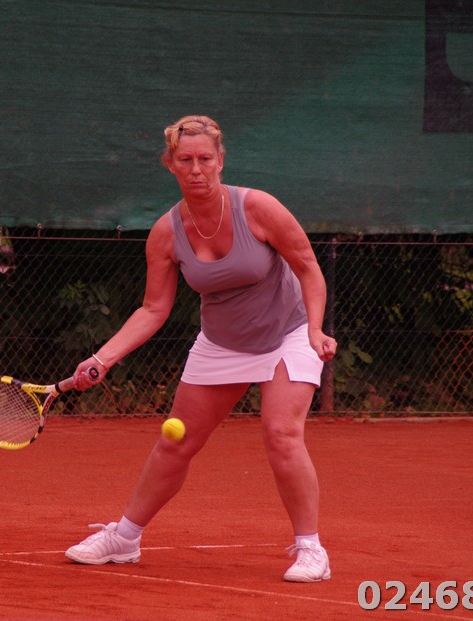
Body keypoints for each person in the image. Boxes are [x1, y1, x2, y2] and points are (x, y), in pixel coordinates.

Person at [65, 115, 337, 582]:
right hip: (222, 341)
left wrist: (314, 329)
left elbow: (308, 267)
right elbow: (153, 308)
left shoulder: (258, 208)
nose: (196, 169)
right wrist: (102, 357)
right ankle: (125, 538)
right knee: (176, 442)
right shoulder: (166, 232)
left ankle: (311, 549)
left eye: (205, 159)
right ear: (170, 164)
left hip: (288, 332)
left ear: (220, 161)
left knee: (281, 432)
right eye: (186, 160)